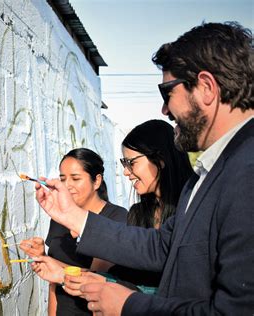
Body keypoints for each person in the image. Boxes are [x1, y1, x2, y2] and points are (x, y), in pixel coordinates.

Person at [34, 22, 254, 315]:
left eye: (167, 93)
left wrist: (128, 305)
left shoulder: (246, 172)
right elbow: (162, 247)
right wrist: (73, 215)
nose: (165, 110)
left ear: (206, 87)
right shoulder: (211, 172)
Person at [33, 120, 195, 295]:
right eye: (124, 163)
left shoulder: (193, 211)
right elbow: (125, 282)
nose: (125, 171)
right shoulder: (138, 214)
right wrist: (62, 274)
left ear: (160, 160)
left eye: (131, 163)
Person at [20, 148, 127, 315]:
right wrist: (44, 258)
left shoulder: (115, 218)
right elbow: (53, 283)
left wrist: (54, 268)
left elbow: (97, 278)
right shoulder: (59, 217)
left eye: (76, 178)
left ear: (96, 181)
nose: (67, 185)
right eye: (63, 179)